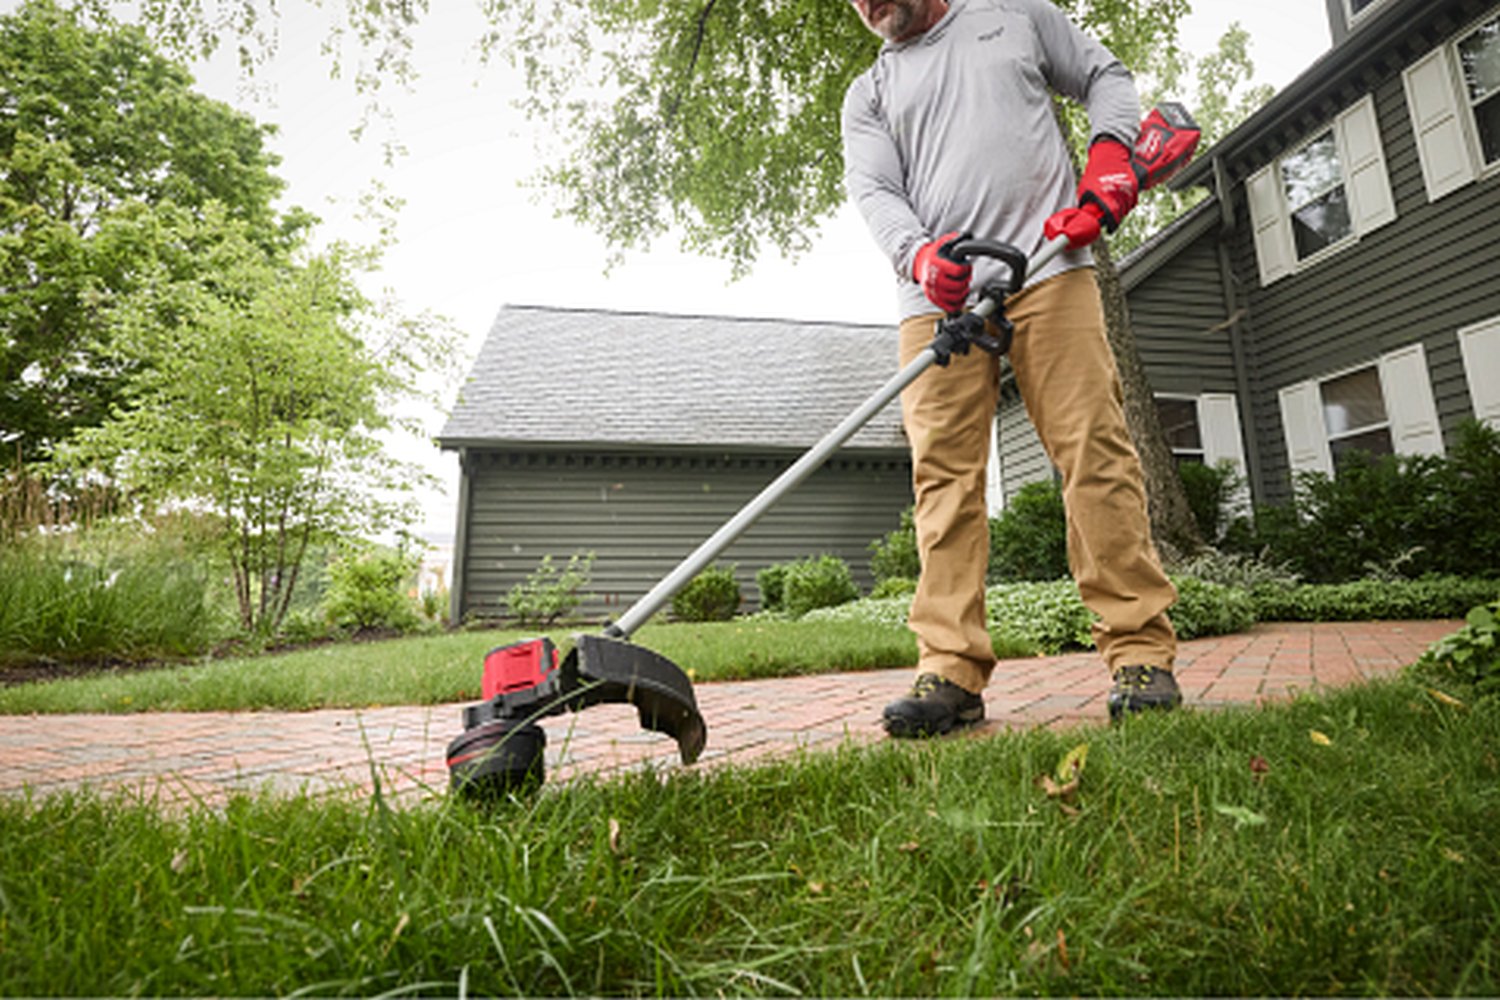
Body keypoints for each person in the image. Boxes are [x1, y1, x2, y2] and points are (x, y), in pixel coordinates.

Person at [841, 0, 1182, 736]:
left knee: (1093, 448)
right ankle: (951, 671)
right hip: (938, 295)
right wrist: (921, 256)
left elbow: (1104, 75)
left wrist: (1110, 158)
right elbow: (875, 192)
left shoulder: (1015, 14)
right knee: (943, 477)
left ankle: (1139, 652)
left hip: (1050, 267)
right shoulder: (868, 92)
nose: (867, 4)